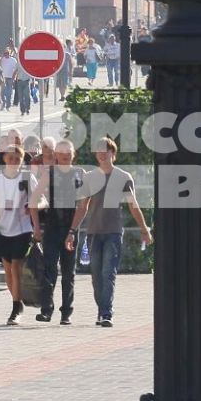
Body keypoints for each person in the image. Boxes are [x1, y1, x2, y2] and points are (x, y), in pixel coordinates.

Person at [83, 137, 151, 327]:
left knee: (108, 272)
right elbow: (83, 206)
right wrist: (72, 230)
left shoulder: (123, 177)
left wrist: (144, 229)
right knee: (96, 275)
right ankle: (101, 310)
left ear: (113, 153)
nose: (102, 154)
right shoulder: (89, 177)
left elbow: (133, 205)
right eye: (99, 151)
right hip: (93, 232)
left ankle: (107, 313)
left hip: (113, 232)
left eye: (106, 150)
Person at [30, 140, 85, 323]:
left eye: (68, 154)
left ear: (73, 155)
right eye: (61, 155)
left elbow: (83, 205)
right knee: (49, 269)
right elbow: (34, 200)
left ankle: (66, 312)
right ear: (56, 156)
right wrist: (37, 228)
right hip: (52, 227)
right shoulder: (49, 173)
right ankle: (47, 309)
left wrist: (72, 230)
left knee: (69, 272)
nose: (65, 158)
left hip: (71, 226)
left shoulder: (80, 174)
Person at [0, 146, 35, 325]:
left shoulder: (27, 179)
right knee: (7, 268)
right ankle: (17, 299)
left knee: (16, 266)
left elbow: (39, 199)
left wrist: (35, 209)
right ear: (4, 159)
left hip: (22, 228)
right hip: (2, 229)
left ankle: (16, 307)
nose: (14, 161)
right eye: (11, 158)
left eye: (17, 159)